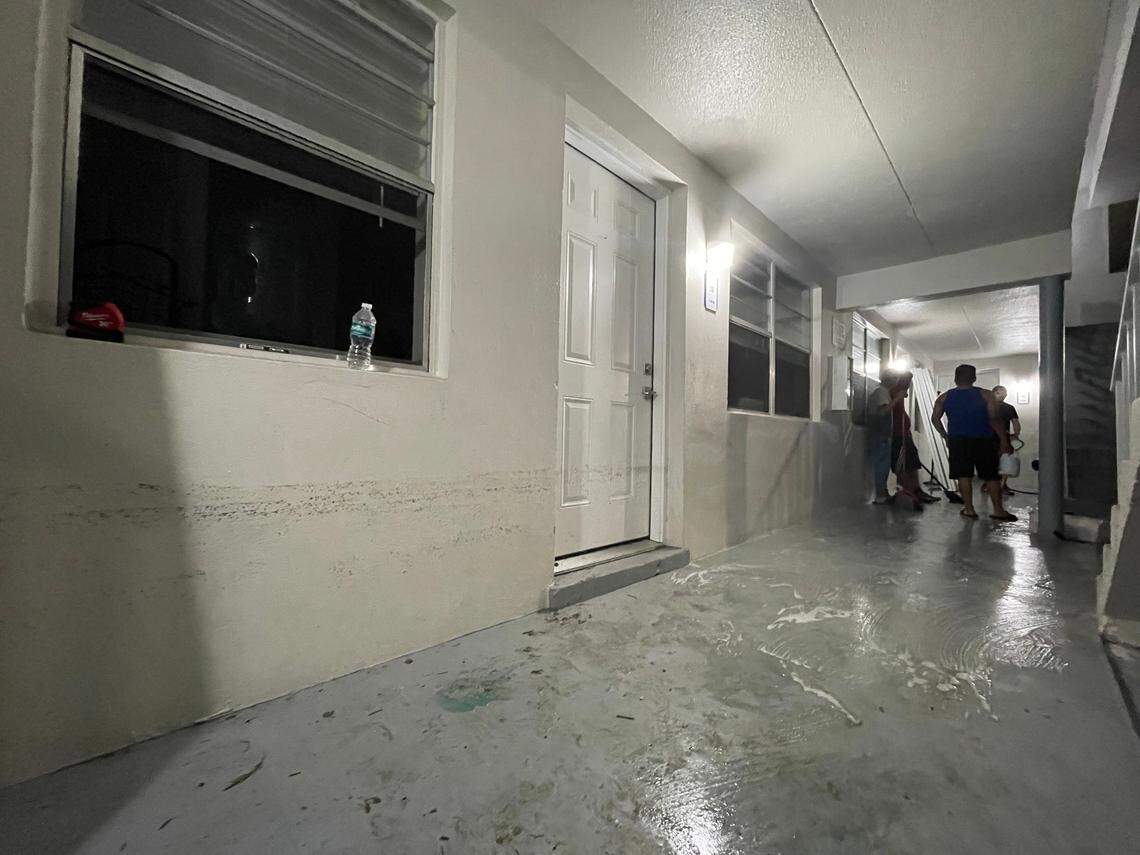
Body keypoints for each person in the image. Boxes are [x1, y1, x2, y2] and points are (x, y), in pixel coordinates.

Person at [931, 364, 1016, 521]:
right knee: (991, 476)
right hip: (983, 440)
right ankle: (998, 510)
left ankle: (969, 509)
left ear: (955, 378)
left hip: (958, 441)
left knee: (963, 475)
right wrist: (1004, 441)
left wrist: (946, 436)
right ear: (974, 378)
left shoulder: (944, 397)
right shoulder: (986, 395)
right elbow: (994, 419)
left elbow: (935, 419)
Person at [887, 371, 933, 511]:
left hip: (905, 434)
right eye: (907, 382)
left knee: (912, 464)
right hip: (897, 435)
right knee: (901, 466)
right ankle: (907, 491)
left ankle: (917, 490)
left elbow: (904, 395)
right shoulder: (892, 392)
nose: (908, 386)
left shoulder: (900, 392)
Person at [868, 371, 895, 504]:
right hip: (880, 435)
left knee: (883, 466)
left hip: (881, 435)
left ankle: (883, 493)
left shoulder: (883, 392)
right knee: (881, 466)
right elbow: (883, 411)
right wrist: (897, 399)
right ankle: (880, 495)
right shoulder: (881, 392)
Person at [992, 385, 1021, 495]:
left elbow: (1016, 423)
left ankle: (995, 485)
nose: (1004, 395)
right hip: (1000, 438)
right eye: (1002, 392)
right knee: (1005, 461)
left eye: (1004, 393)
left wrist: (1015, 434)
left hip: (993, 438)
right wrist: (1016, 435)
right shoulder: (1009, 408)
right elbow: (1016, 424)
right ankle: (1000, 485)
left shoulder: (986, 407)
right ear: (994, 393)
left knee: (997, 462)